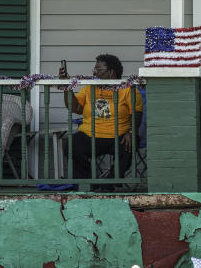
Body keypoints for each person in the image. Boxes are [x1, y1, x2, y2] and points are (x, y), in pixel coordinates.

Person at [59, 55, 143, 186]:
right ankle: (87, 183)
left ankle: (109, 184)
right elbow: (74, 107)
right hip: (90, 135)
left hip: (119, 136)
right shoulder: (89, 88)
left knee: (129, 145)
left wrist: (131, 131)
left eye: (98, 69)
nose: (94, 72)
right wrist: (66, 87)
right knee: (72, 144)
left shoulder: (127, 89)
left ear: (111, 72)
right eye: (94, 68)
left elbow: (137, 113)